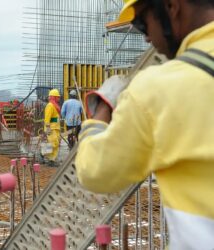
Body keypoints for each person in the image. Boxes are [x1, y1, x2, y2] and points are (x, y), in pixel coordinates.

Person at [75, 0, 214, 249]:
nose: (147, 38)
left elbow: (95, 170)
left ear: (172, 7)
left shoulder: (158, 90)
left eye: (142, 23)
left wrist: (101, 110)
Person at [43, 88, 61, 167]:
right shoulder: (50, 105)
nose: (59, 98)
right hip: (51, 128)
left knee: (56, 144)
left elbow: (56, 117)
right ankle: (43, 153)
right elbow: (47, 118)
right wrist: (47, 127)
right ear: (53, 97)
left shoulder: (55, 106)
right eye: (57, 97)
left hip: (56, 127)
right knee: (53, 143)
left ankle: (52, 160)